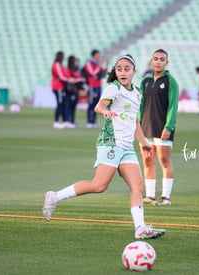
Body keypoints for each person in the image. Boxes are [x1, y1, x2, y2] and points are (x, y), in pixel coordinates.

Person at [43, 54, 166, 240]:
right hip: (110, 142)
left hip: (127, 147)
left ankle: (140, 227)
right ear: (115, 72)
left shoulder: (137, 92)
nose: (123, 72)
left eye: (127, 69)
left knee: (138, 186)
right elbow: (98, 107)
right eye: (119, 69)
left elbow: (135, 121)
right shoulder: (113, 87)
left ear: (134, 72)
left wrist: (144, 142)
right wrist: (105, 111)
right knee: (99, 185)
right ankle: (55, 196)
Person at [139, 49, 179, 206]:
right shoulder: (145, 81)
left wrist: (168, 127)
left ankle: (166, 197)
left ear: (166, 63)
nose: (158, 62)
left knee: (164, 161)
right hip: (146, 128)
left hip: (163, 128)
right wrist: (139, 125)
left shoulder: (170, 81)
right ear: (151, 61)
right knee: (148, 161)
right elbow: (141, 104)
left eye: (162, 59)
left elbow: (173, 106)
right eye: (155, 59)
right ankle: (149, 196)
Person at [51, 51, 77, 129]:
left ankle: (62, 121)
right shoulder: (57, 64)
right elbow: (60, 76)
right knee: (59, 104)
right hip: (57, 87)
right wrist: (68, 79)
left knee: (61, 104)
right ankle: (56, 121)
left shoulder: (57, 64)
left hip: (59, 87)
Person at [83, 49, 108, 128]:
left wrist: (106, 66)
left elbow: (102, 74)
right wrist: (99, 66)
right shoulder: (89, 64)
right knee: (91, 104)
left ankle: (93, 121)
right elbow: (93, 73)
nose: (99, 57)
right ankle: (89, 121)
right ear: (94, 56)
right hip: (92, 86)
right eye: (98, 55)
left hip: (98, 86)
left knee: (96, 104)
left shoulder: (97, 64)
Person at [65, 55, 85, 127]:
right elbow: (69, 80)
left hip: (76, 90)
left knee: (73, 106)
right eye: (75, 61)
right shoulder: (68, 69)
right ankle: (68, 121)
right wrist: (79, 80)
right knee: (69, 106)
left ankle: (72, 121)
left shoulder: (76, 70)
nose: (77, 62)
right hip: (70, 91)